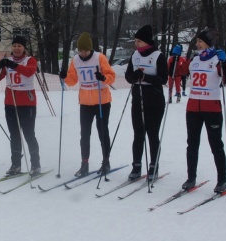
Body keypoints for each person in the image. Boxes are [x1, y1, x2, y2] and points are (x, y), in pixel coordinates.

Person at [60, 32, 116, 177]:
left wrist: (103, 77)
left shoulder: (100, 57)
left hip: (102, 101)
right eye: (80, 50)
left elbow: (112, 76)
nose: (83, 53)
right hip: (85, 103)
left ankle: (106, 162)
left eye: (85, 50)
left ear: (90, 49)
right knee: (84, 134)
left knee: (102, 132)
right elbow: (72, 80)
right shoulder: (76, 60)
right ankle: (84, 164)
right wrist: (64, 77)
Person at [181, 29, 226, 194]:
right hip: (193, 107)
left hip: (212, 108)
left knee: (216, 145)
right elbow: (176, 72)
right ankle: (191, 177)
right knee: (192, 144)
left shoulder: (216, 59)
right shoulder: (194, 60)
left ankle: (222, 179)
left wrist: (225, 63)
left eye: (200, 41)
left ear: (208, 43)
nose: (197, 44)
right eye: (197, 41)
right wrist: (175, 59)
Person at [0, 35, 41, 176]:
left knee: (29, 135)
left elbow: (29, 71)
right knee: (14, 135)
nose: (16, 48)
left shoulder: (30, 60)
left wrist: (14, 65)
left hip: (27, 103)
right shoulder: (8, 61)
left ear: (24, 47)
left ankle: (36, 165)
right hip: (10, 103)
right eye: (14, 46)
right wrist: (0, 66)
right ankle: (16, 165)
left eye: (19, 46)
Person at [125, 25, 167, 180]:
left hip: (154, 101)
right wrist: (134, 77)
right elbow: (129, 76)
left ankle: (153, 166)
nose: (136, 44)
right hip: (138, 99)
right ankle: (136, 167)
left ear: (147, 41)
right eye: (135, 40)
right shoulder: (135, 55)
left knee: (152, 134)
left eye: (139, 41)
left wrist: (145, 77)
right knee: (138, 134)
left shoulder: (157, 55)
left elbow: (163, 79)